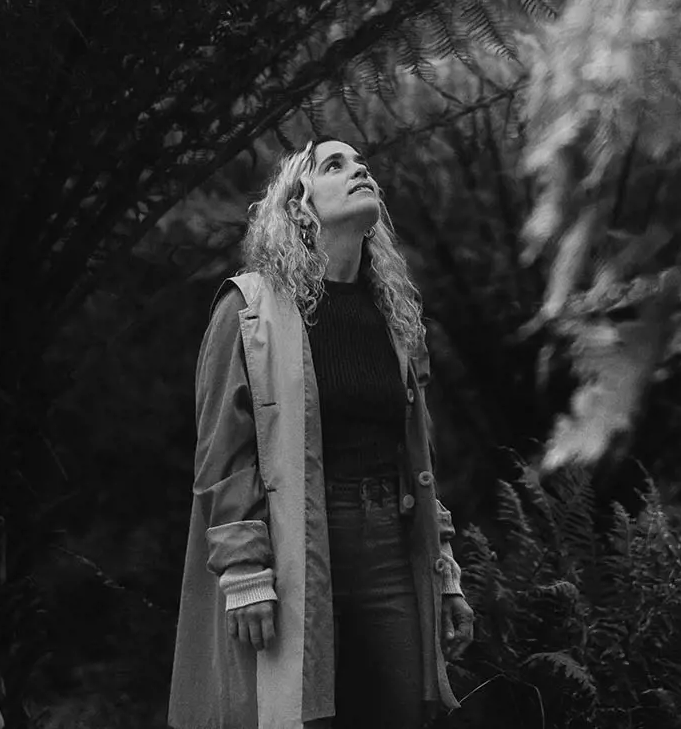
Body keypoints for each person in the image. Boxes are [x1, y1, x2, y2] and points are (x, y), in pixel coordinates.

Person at [169, 138, 477, 729]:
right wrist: (244, 570)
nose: (357, 169)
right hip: (295, 548)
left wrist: (445, 571)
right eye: (332, 164)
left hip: (391, 541)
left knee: (399, 714)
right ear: (297, 205)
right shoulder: (250, 309)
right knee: (299, 718)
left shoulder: (395, 318)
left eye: (361, 164)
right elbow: (222, 453)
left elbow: (418, 456)